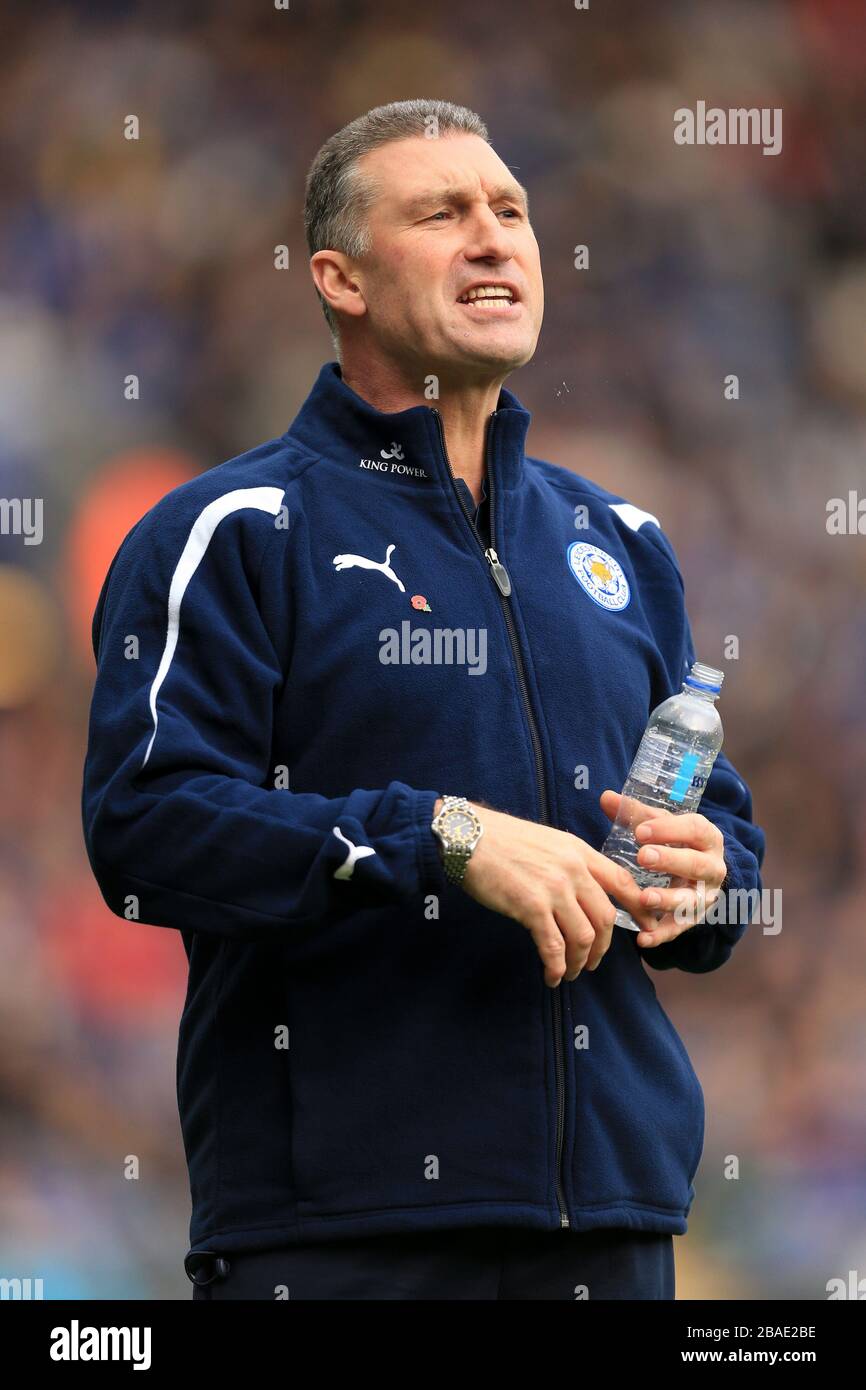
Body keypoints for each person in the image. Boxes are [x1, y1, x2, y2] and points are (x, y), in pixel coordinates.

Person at [81, 99, 765, 1301]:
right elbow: (145, 827)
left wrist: (709, 876)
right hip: (341, 1241)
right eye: (440, 213)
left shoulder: (620, 542)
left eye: (508, 211)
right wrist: (436, 836)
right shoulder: (231, 533)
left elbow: (729, 851)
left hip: (609, 1230)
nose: (493, 239)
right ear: (338, 278)